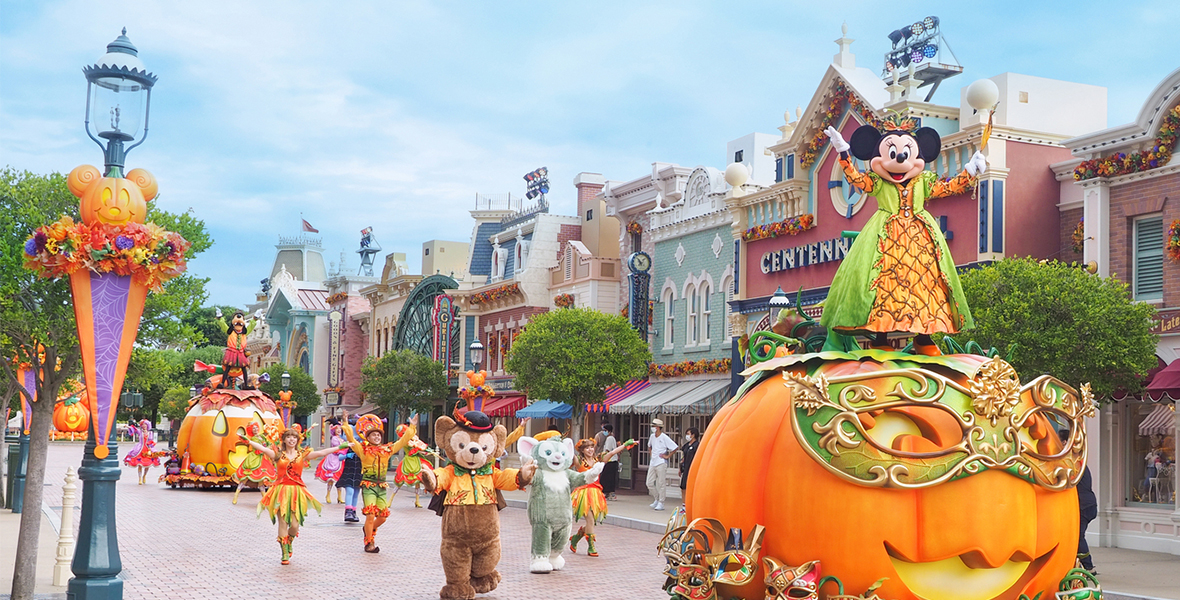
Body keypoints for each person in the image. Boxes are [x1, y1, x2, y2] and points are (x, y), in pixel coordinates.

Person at [242, 424, 339, 564]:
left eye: (294, 437)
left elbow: (321, 453)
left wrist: (340, 447)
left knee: (294, 525)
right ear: (284, 440)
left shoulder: (302, 455)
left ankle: (289, 541)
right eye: (289, 437)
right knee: (282, 522)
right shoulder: (278, 455)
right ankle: (284, 552)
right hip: (280, 490)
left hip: (297, 491)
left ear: (297, 440)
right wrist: (249, 441)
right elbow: (263, 449)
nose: (291, 439)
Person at [340, 410, 417, 553]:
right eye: (373, 435)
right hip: (368, 486)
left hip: (381, 486)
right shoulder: (363, 450)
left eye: (378, 434)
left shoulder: (387, 450)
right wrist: (345, 422)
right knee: (370, 515)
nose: (376, 437)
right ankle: (369, 542)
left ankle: (368, 529)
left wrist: (412, 427)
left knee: (382, 516)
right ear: (368, 437)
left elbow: (402, 441)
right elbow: (351, 439)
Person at [569, 436, 636, 556]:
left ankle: (576, 538)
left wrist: (625, 445)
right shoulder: (578, 460)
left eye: (591, 447)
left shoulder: (598, 459)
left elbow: (612, 452)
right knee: (589, 520)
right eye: (587, 448)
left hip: (596, 493)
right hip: (583, 493)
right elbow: (567, 454)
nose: (590, 450)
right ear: (582, 450)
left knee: (592, 521)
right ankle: (591, 546)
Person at [232, 421, 277, 505]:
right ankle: (236, 495)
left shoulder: (262, 436)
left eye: (256, 427)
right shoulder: (253, 439)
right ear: (251, 430)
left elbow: (267, 444)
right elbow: (261, 447)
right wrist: (267, 447)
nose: (255, 429)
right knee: (245, 478)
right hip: (254, 459)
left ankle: (265, 500)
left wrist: (271, 445)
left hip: (262, 458)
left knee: (261, 480)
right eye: (253, 428)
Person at [646, 418, 679, 511]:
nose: (652, 428)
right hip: (653, 462)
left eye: (654, 426)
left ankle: (661, 502)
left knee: (661, 483)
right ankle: (656, 498)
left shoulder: (664, 437)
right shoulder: (652, 436)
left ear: (658, 427)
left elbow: (675, 447)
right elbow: (649, 446)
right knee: (649, 483)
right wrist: (651, 454)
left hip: (661, 462)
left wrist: (668, 456)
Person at [336, 420, 363, 523]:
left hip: (359, 471)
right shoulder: (347, 445)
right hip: (349, 470)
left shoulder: (362, 446)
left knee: (356, 492)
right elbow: (339, 457)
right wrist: (347, 455)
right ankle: (348, 511)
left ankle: (354, 511)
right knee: (350, 491)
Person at [314, 424, 346, 504]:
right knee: (331, 478)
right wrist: (343, 449)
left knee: (340, 478)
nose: (338, 430)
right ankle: (328, 495)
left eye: (339, 429)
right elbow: (338, 448)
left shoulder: (342, 438)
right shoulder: (334, 438)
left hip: (341, 459)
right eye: (337, 429)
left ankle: (339, 496)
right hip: (333, 458)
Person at [123, 419, 161, 485]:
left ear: (148, 425)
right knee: (139, 464)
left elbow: (151, 441)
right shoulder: (140, 432)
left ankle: (144, 476)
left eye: (145, 424)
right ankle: (140, 478)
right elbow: (134, 429)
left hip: (147, 449)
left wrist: (150, 447)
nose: (144, 426)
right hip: (140, 448)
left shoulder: (150, 433)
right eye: (142, 425)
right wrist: (127, 426)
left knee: (147, 464)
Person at [678, 427, 701, 501]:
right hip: (685, 469)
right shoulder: (686, 445)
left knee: (691, 488)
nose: (687, 436)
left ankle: (691, 503)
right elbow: (683, 457)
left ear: (693, 435)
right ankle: (684, 505)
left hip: (693, 469)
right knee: (683, 487)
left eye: (688, 434)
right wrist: (680, 468)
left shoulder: (697, 445)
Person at [600, 424, 621, 501]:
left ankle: (609, 493)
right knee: (609, 478)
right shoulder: (612, 438)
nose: (604, 432)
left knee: (606, 478)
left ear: (608, 431)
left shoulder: (609, 438)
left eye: (605, 430)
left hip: (610, 461)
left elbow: (607, 450)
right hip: (612, 461)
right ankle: (609, 493)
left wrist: (602, 458)